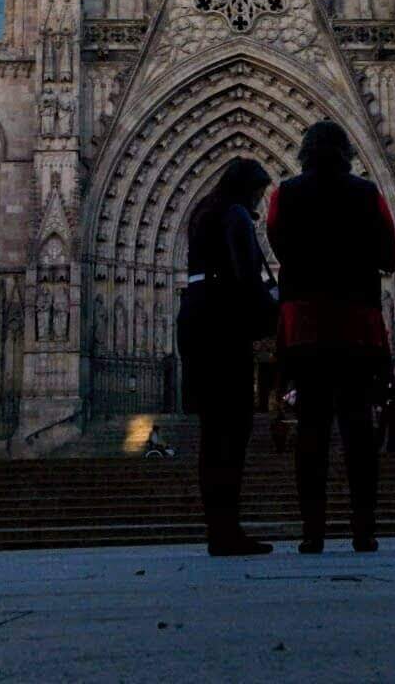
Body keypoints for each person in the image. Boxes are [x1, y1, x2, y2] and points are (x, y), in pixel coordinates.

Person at [267, 120, 395, 553]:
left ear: (304, 153)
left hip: (306, 324)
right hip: (356, 323)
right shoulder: (368, 195)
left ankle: (313, 531)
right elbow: (389, 255)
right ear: (346, 152)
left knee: (311, 429)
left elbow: (278, 245)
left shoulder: (283, 195)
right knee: (359, 428)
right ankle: (364, 528)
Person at [176, 156, 277, 557]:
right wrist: (272, 315)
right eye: (258, 193)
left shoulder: (202, 212)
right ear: (247, 188)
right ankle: (229, 529)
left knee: (211, 434)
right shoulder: (235, 215)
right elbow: (245, 276)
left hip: (195, 320)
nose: (259, 202)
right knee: (233, 432)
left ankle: (217, 529)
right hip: (223, 326)